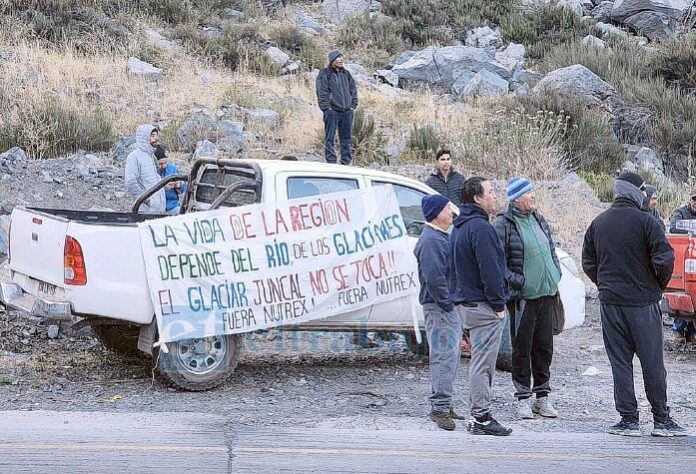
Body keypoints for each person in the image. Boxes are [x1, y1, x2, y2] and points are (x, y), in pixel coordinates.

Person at [582, 171, 685, 437]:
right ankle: (661, 420)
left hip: (610, 304)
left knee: (620, 362)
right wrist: (656, 287)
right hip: (642, 304)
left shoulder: (598, 223)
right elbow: (664, 259)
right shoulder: (647, 223)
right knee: (652, 362)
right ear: (635, 192)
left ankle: (628, 420)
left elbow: (588, 262)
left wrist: (604, 285)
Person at [493, 178, 561, 420]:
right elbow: (497, 263)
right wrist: (519, 282)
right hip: (523, 297)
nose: (533, 195)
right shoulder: (504, 223)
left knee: (544, 346)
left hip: (546, 293)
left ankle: (542, 397)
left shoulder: (538, 218)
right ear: (516, 198)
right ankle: (523, 397)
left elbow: (550, 248)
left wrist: (555, 272)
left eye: (532, 191)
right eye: (528, 192)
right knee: (522, 348)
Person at [450, 177, 512, 436]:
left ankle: (480, 414)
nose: (494, 196)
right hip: (482, 306)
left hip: (466, 304)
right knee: (483, 363)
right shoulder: (481, 229)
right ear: (477, 198)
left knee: (480, 362)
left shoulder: (460, 227)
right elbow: (491, 270)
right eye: (490, 192)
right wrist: (498, 305)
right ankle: (481, 417)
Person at [414, 194, 462, 431]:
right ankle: (440, 408)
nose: (451, 213)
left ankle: (444, 402)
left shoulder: (439, 236)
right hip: (439, 308)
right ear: (436, 214)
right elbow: (435, 280)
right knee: (444, 356)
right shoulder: (432, 241)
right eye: (446, 209)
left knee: (449, 356)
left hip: (443, 306)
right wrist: (449, 305)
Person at [315, 49, 357, 165]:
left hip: (347, 111)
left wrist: (353, 105)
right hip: (332, 111)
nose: (341, 59)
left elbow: (353, 89)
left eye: (342, 57)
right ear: (332, 60)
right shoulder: (325, 73)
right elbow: (321, 91)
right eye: (338, 57)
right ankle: (331, 162)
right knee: (330, 138)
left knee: (346, 138)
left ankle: (346, 162)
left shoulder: (346, 73)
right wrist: (327, 108)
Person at [124, 124, 165, 214]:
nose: (156, 139)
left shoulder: (152, 157)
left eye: (156, 135)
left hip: (157, 211)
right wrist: (146, 200)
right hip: (145, 211)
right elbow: (130, 182)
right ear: (144, 138)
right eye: (152, 136)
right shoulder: (134, 156)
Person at [155, 145, 187, 216]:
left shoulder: (173, 169)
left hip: (173, 206)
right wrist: (163, 187)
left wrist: (179, 185)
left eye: (165, 163)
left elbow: (183, 189)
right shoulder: (151, 171)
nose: (163, 166)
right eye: (160, 164)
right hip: (156, 208)